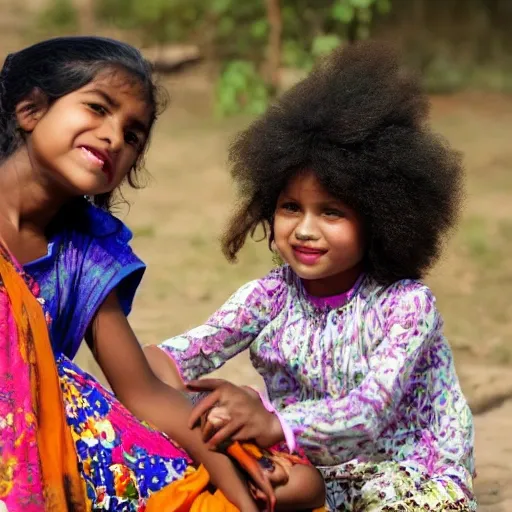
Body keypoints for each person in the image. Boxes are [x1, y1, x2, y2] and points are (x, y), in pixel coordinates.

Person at [0, 36, 326, 512]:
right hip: (29, 447)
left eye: (133, 135)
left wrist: (235, 474)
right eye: (96, 108)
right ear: (30, 110)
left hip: (52, 444)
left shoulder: (84, 250)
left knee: (297, 481)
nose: (114, 138)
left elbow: (144, 392)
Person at [147, 41, 477, 511]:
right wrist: (156, 379)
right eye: (290, 207)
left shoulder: (406, 305)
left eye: (331, 212)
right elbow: (183, 354)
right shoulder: (269, 296)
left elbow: (368, 413)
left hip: (411, 478)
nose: (305, 229)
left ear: (380, 218)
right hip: (312, 470)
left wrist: (268, 420)